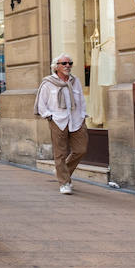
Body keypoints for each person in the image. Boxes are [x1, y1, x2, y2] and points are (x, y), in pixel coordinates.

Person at [36, 52, 88, 195]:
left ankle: (61, 170)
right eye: (64, 63)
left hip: (76, 119)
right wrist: (49, 116)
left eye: (69, 63)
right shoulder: (48, 83)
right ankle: (64, 182)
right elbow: (42, 104)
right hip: (58, 121)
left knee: (81, 149)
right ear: (56, 67)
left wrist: (83, 115)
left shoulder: (75, 81)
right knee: (60, 154)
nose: (67, 66)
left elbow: (81, 100)